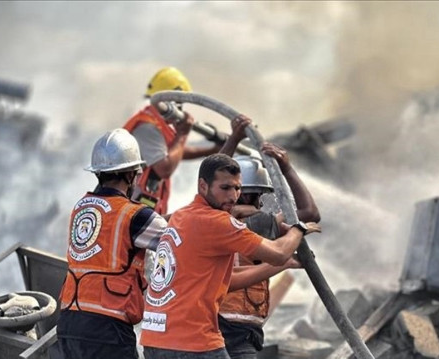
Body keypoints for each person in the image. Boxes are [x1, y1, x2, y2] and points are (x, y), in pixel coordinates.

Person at [140, 153, 320, 359]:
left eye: (237, 188)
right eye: (226, 189)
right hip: (198, 337)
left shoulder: (182, 217)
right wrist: (298, 230)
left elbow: (228, 277)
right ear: (203, 186)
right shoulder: (225, 222)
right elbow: (280, 251)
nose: (233, 196)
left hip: (157, 337)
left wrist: (287, 263)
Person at [56, 128, 168, 359]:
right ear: (129, 175)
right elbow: (178, 240)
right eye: (136, 174)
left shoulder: (81, 207)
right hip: (107, 326)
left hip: (69, 321)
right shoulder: (135, 215)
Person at [218, 128, 321, 358]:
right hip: (237, 329)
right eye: (259, 196)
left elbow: (208, 176)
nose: (262, 204)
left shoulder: (207, 219)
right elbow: (309, 213)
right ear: (247, 195)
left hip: (211, 324)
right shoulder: (255, 221)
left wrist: (233, 140)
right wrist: (286, 168)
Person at [123, 67, 221, 215]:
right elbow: (165, 168)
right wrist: (182, 134)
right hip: (133, 211)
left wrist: (212, 150)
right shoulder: (147, 127)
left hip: (142, 209)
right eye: (180, 104)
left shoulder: (156, 126)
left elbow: (174, 152)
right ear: (172, 102)